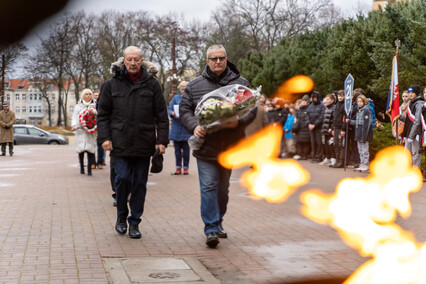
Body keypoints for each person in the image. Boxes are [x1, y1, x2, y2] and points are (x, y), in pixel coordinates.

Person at [179, 44, 256, 248]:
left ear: (227, 59)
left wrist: (237, 122)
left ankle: (218, 220)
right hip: (206, 146)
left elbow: (252, 109)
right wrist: (194, 126)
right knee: (208, 186)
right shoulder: (195, 86)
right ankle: (211, 228)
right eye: (214, 58)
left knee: (223, 189)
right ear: (207, 61)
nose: (218, 61)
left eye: (221, 58)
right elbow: (185, 109)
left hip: (230, 147)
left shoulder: (240, 84)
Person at [97, 46, 169, 239]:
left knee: (139, 183)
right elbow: (103, 115)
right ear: (123, 60)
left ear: (142, 61)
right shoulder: (111, 85)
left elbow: (161, 116)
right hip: (119, 143)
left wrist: (162, 141)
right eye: (130, 59)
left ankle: (135, 222)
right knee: (122, 179)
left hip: (144, 143)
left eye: (137, 59)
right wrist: (104, 138)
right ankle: (121, 217)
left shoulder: (152, 85)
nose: (133, 63)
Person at [71, 89, 97, 176]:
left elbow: (98, 116)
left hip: (91, 131)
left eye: (90, 94)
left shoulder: (95, 105)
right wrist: (74, 125)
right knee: (81, 150)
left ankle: (89, 169)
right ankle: (82, 167)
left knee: (90, 151)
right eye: (86, 94)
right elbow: (74, 117)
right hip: (80, 131)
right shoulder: (78, 106)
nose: (88, 96)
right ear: (83, 95)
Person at [168, 81, 192, 175]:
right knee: (177, 150)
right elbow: (170, 109)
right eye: (182, 89)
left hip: (186, 128)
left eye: (185, 89)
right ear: (179, 89)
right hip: (176, 127)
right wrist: (172, 113)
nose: (183, 90)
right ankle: (178, 167)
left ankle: (186, 167)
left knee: (186, 150)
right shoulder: (175, 98)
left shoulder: (190, 98)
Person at [347, 95, 373, 172]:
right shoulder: (359, 110)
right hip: (358, 133)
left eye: (361, 101)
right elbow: (357, 122)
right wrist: (350, 121)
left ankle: (366, 164)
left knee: (365, 150)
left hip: (364, 134)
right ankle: (362, 164)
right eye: (358, 101)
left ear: (364, 102)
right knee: (360, 150)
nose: (359, 103)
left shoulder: (366, 111)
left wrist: (364, 136)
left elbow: (367, 125)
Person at [400, 85, 423, 169]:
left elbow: (417, 121)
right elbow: (408, 120)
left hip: (415, 133)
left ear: (416, 93)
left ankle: (415, 172)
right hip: (409, 133)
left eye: (412, 93)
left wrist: (411, 135)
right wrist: (399, 116)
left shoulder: (419, 104)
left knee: (415, 154)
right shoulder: (411, 103)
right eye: (409, 92)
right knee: (407, 153)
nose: (410, 94)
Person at [306, 91, 325, 162]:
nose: (314, 99)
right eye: (313, 97)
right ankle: (314, 156)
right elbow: (307, 115)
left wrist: (315, 124)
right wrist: (309, 123)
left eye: (316, 97)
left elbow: (321, 116)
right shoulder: (310, 106)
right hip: (311, 127)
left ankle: (319, 156)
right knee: (313, 142)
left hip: (318, 127)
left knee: (319, 142)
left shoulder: (321, 106)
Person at [330, 90, 346, 168]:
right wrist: (333, 128)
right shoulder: (337, 105)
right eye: (339, 96)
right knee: (335, 144)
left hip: (341, 128)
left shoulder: (345, 105)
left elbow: (345, 118)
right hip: (335, 127)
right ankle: (337, 160)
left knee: (341, 145)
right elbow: (334, 117)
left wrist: (343, 129)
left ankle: (341, 161)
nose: (340, 97)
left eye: (342, 96)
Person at [292, 95, 311, 160]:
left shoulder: (309, 109)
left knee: (305, 142)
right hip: (299, 128)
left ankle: (305, 155)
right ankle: (301, 154)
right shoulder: (299, 110)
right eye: (302, 101)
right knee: (300, 142)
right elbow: (297, 118)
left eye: (305, 101)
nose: (303, 102)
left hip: (306, 128)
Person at [319, 93, 336, 166]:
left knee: (331, 145)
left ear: (332, 100)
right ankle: (327, 158)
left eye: (328, 99)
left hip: (330, 130)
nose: (326, 101)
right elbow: (324, 119)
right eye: (326, 99)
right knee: (325, 145)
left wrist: (331, 128)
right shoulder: (326, 108)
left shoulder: (334, 108)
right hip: (325, 130)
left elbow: (334, 119)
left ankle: (333, 158)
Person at [93, 92, 105, 169]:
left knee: (100, 146)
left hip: (100, 127)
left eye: (98, 95)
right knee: (92, 146)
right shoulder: (91, 105)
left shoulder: (103, 102)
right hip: (92, 127)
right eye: (95, 95)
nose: (97, 96)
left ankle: (100, 161)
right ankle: (92, 162)